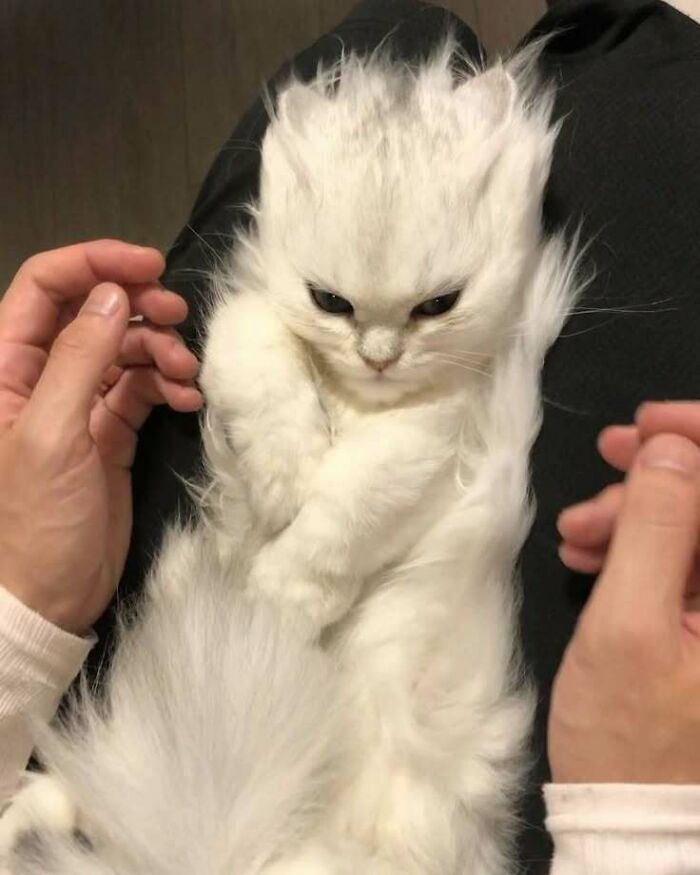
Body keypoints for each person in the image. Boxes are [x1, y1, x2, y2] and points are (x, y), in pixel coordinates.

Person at [2, 1, 700, 872]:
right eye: (332, 305)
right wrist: (641, 830)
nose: (377, 353)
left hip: (154, 747)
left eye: (433, 305)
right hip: (374, 822)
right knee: (611, 57)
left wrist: (22, 608)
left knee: (402, 33)